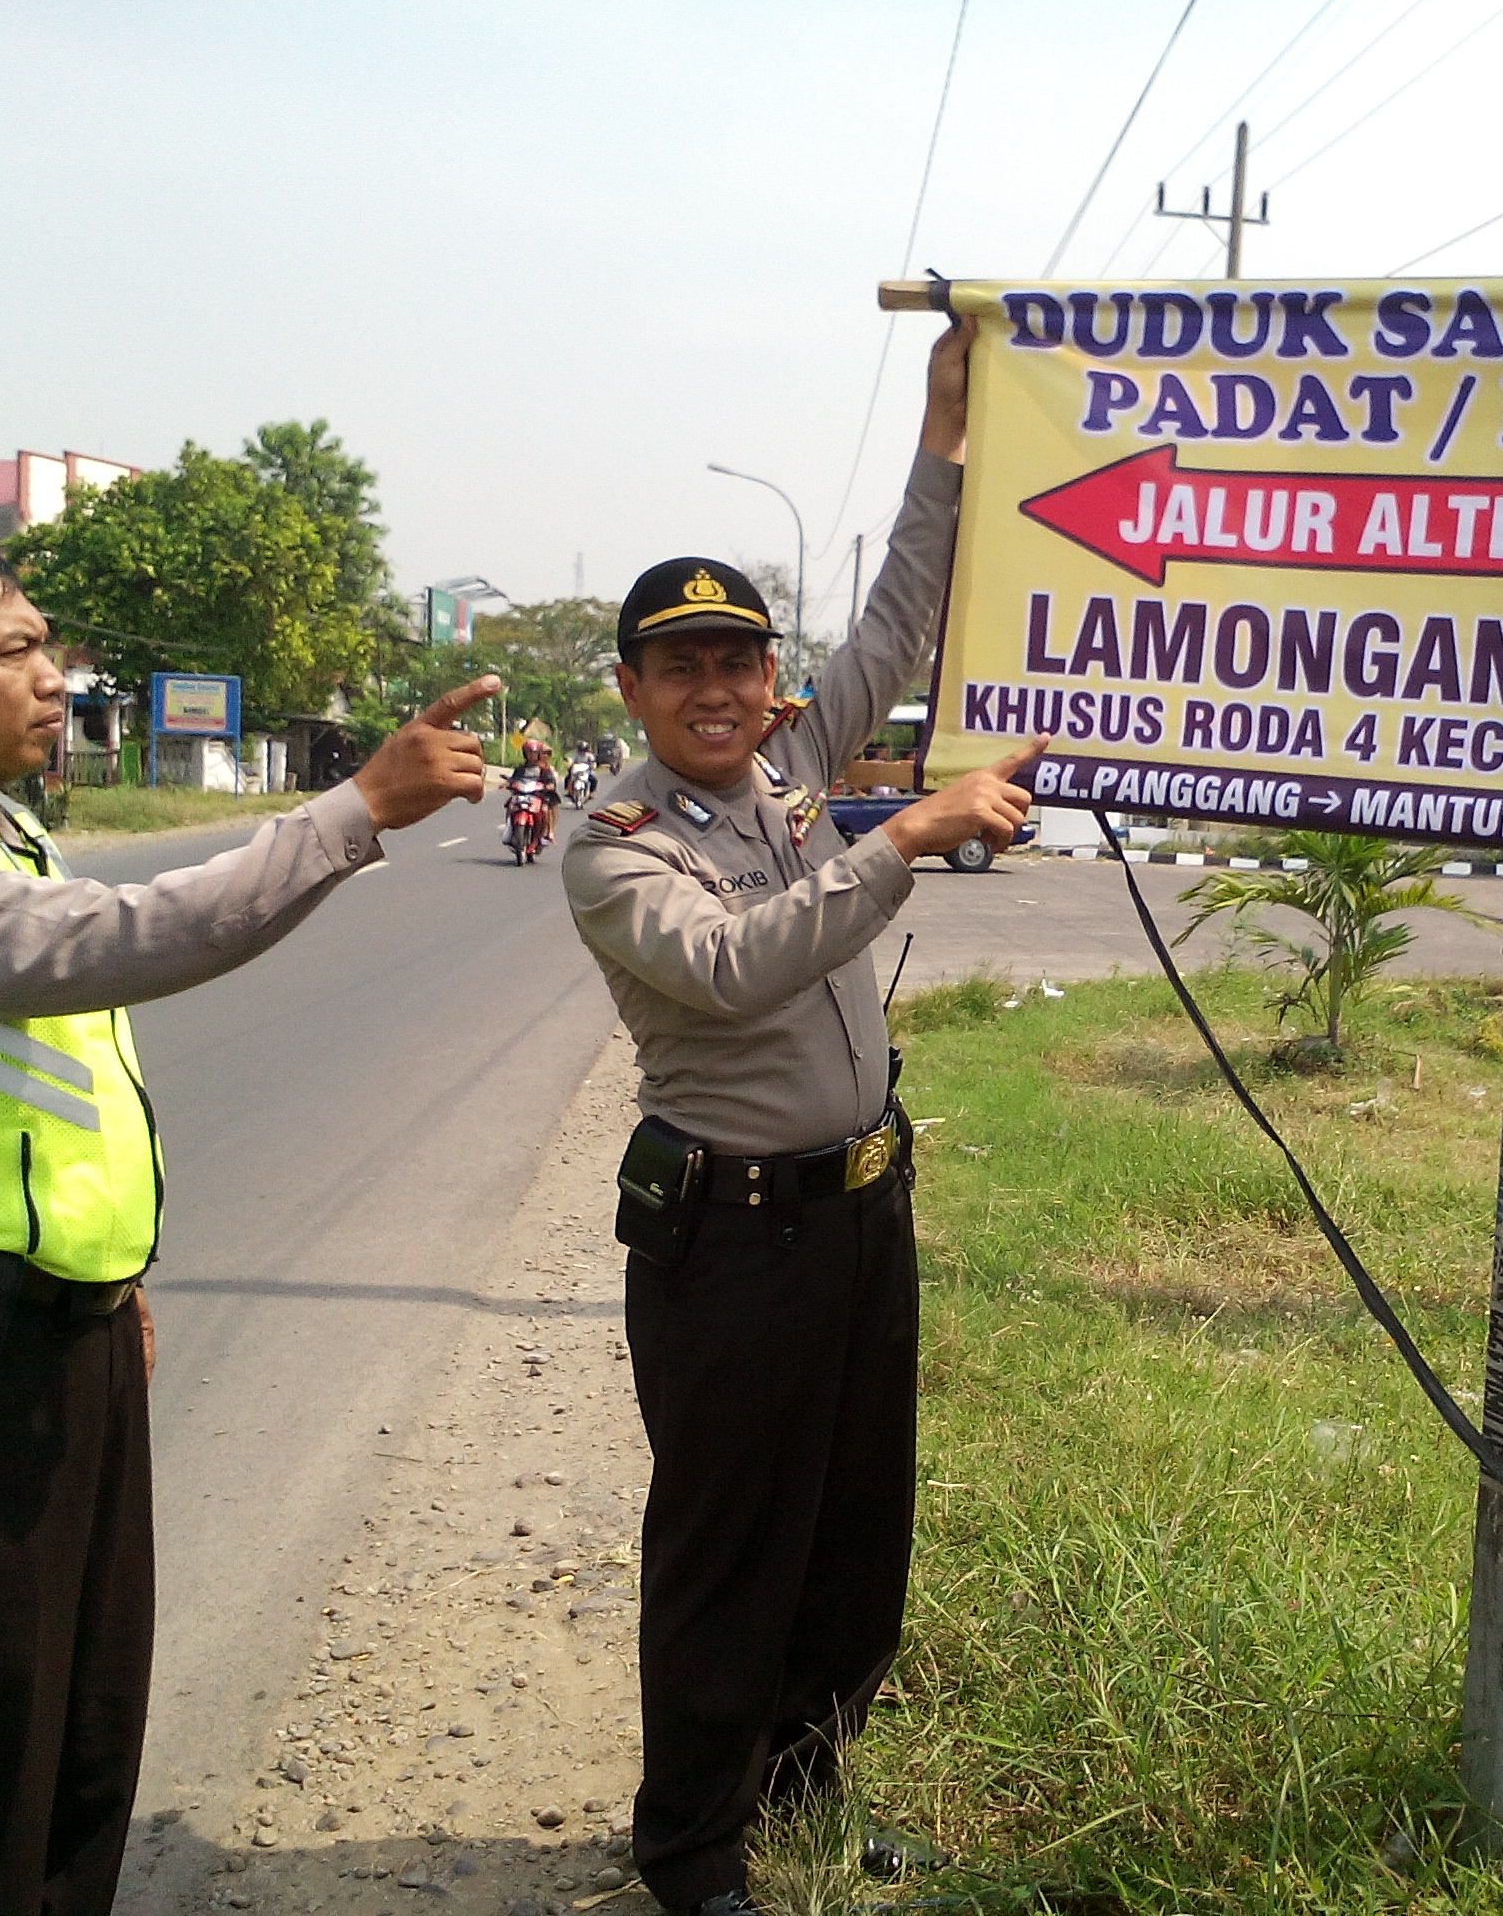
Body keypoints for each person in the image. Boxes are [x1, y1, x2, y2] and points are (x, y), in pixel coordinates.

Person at [0, 530, 495, 1916]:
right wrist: (352, 811)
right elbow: (121, 942)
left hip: (59, 1340)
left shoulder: (0, 836)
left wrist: (109, 1277)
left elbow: (53, 1099)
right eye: (17, 650)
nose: (57, 678)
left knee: (76, 1748)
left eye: (51, 647)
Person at [563, 317, 1042, 1916]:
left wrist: (947, 428)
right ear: (633, 688)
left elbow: (904, 609)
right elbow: (733, 968)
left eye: (740, 662)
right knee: (727, 1553)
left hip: (858, 1212)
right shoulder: (617, 845)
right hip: (732, 1240)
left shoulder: (788, 772)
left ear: (772, 684)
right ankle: (693, 1853)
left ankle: (804, 1797)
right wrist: (904, 834)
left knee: (853, 1534)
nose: (717, 688)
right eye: (680, 665)